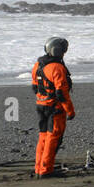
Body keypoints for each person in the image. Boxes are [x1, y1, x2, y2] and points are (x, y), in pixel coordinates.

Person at [31, 36, 75, 178]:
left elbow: (34, 86)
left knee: (43, 136)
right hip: (55, 109)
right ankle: (46, 170)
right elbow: (61, 93)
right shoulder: (56, 67)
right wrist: (70, 111)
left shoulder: (39, 64)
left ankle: (39, 167)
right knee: (53, 138)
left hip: (41, 106)